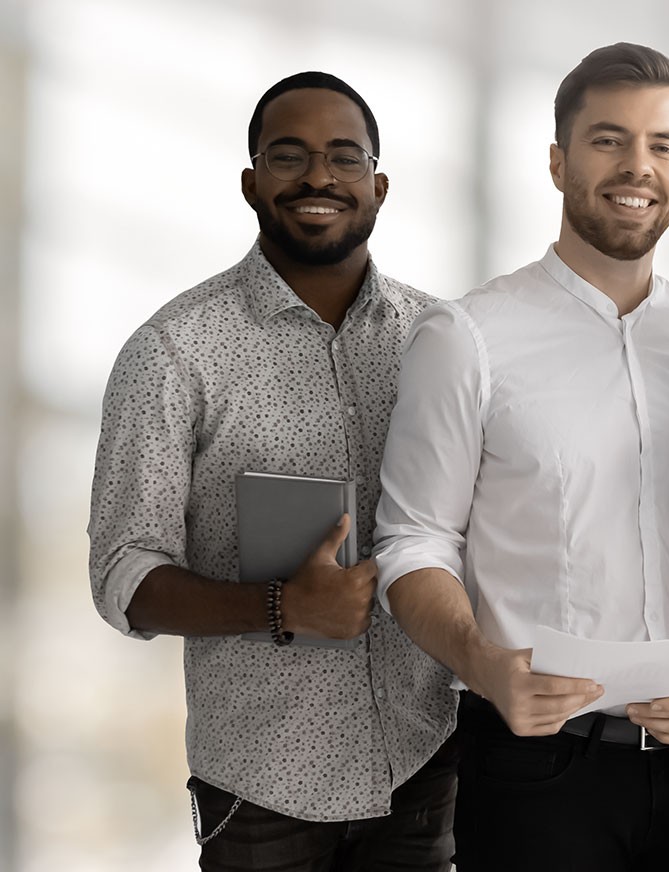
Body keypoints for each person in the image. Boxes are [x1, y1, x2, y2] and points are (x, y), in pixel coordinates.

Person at [371, 43, 669, 871]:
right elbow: (412, 542)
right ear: (558, 162)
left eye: (664, 145)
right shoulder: (467, 337)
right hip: (532, 771)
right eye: (608, 140)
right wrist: (480, 660)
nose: (638, 166)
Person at [86, 72, 457, 870]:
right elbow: (121, 575)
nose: (318, 176)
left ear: (379, 185)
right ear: (252, 181)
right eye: (289, 156)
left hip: (425, 769)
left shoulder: (441, 340)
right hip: (261, 791)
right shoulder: (173, 352)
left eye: (342, 157)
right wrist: (282, 604)